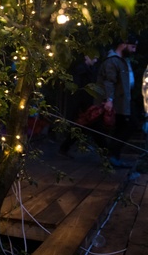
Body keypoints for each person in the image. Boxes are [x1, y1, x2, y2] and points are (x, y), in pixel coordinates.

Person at [95, 35, 138, 168]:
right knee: (129, 125)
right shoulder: (112, 61)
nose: (134, 50)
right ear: (123, 44)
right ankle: (111, 154)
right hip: (117, 102)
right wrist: (109, 99)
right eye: (132, 46)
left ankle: (113, 157)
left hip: (124, 100)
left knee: (123, 127)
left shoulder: (123, 60)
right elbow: (109, 81)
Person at [59, 55, 99, 157]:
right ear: (86, 57)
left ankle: (65, 147)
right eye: (93, 57)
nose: (96, 59)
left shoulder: (90, 70)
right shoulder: (80, 70)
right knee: (83, 126)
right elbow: (78, 89)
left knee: (82, 127)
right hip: (81, 104)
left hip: (85, 103)